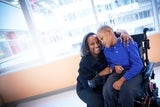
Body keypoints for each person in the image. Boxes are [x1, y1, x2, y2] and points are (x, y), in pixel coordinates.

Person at [76, 31, 133, 107]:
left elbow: (113, 33)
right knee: (100, 103)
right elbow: (87, 83)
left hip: (100, 84)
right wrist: (100, 74)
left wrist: (124, 33)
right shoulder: (84, 62)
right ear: (87, 47)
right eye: (92, 44)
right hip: (85, 87)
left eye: (98, 42)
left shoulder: (104, 52)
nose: (96, 45)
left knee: (110, 97)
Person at [96, 25, 143, 107]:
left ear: (109, 32)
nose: (102, 42)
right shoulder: (106, 50)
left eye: (102, 38)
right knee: (107, 90)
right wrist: (115, 66)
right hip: (118, 73)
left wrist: (122, 80)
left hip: (134, 72)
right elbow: (110, 64)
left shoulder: (126, 41)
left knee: (125, 90)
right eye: (100, 40)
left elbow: (138, 65)